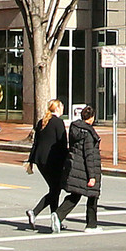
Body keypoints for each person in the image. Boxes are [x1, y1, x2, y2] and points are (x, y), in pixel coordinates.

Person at [55, 106, 103, 232]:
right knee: (93, 196)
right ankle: (91, 225)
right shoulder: (88, 133)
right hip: (86, 169)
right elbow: (89, 155)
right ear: (92, 118)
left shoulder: (75, 129)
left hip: (76, 167)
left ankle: (59, 214)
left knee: (75, 194)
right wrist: (92, 176)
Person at [25, 98, 70, 230]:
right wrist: (66, 160)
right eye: (61, 107)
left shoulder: (41, 122)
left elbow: (36, 143)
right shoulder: (58, 123)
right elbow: (62, 144)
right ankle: (35, 212)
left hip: (40, 160)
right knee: (55, 189)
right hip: (53, 160)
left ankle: (55, 220)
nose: (63, 109)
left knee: (54, 189)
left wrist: (31, 160)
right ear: (57, 108)